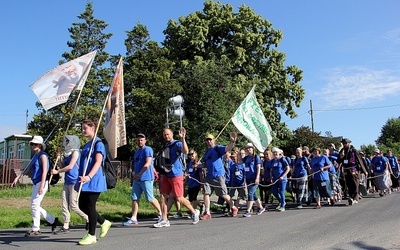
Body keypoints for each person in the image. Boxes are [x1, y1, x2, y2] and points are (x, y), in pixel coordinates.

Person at [12, 136, 58, 237]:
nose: (33, 146)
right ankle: (53, 220)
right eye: (32, 144)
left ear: (40, 145)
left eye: (35, 144)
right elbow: (27, 169)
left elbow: (45, 172)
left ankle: (36, 228)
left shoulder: (43, 156)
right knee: (34, 205)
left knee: (34, 205)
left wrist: (41, 186)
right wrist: (17, 177)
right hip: (36, 182)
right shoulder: (35, 156)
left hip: (42, 182)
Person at [154, 127, 200, 228]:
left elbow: (186, 151)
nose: (166, 136)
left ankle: (194, 212)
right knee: (163, 196)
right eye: (164, 135)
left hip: (176, 175)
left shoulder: (177, 143)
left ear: (172, 135)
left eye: (168, 134)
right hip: (166, 174)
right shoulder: (166, 145)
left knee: (179, 198)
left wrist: (183, 138)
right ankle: (164, 219)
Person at [76, 118, 111, 245]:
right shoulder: (87, 145)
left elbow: (98, 162)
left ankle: (91, 235)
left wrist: (89, 177)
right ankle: (103, 222)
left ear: (92, 128)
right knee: (81, 205)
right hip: (84, 180)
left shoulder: (98, 144)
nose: (83, 130)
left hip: (94, 180)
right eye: (82, 128)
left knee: (90, 206)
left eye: (85, 128)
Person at [52, 135, 88, 234]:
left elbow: (70, 167)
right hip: (67, 181)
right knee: (64, 204)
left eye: (68, 141)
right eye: (66, 141)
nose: (66, 143)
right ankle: (66, 225)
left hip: (75, 181)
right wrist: (59, 158)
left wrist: (57, 172)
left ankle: (88, 219)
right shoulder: (67, 154)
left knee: (73, 205)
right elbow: (62, 166)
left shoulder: (76, 152)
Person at [198, 132, 239, 219]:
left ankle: (233, 207)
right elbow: (205, 164)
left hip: (219, 175)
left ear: (214, 140)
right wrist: (198, 165)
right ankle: (207, 212)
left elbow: (228, 148)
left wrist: (232, 142)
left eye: (210, 139)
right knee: (206, 193)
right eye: (207, 140)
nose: (209, 141)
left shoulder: (217, 148)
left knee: (223, 195)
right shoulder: (206, 153)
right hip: (209, 176)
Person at [124, 133, 162, 226]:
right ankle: (133, 218)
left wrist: (140, 173)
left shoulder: (147, 149)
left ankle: (161, 214)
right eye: (138, 140)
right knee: (134, 197)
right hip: (137, 179)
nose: (140, 141)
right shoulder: (137, 151)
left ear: (145, 140)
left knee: (150, 198)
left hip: (146, 178)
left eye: (141, 140)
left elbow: (148, 163)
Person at [337, 138, 368, 206]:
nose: (344, 144)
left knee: (355, 183)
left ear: (348, 143)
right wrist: (341, 157)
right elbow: (338, 161)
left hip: (353, 169)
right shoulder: (342, 151)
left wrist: (365, 171)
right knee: (348, 184)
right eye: (343, 143)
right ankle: (351, 197)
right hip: (346, 169)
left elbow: (360, 161)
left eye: (345, 143)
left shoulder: (354, 150)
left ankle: (355, 198)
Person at [242, 143, 265, 217]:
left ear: (253, 148)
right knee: (254, 194)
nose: (248, 150)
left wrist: (257, 177)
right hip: (248, 178)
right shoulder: (246, 158)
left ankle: (248, 210)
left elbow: (258, 167)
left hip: (254, 178)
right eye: (247, 148)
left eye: (250, 148)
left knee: (250, 193)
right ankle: (261, 207)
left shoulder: (256, 157)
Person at [270, 147, 290, 212]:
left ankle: (282, 206)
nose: (275, 153)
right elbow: (271, 170)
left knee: (281, 192)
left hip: (282, 179)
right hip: (275, 179)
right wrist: (271, 177)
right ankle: (282, 201)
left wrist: (283, 176)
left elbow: (288, 168)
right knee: (274, 191)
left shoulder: (282, 159)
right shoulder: (272, 161)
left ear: (279, 153)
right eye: (274, 152)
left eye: (276, 152)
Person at [186, 149, 203, 214]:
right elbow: (188, 173)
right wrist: (185, 182)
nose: (191, 156)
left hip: (196, 183)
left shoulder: (198, 164)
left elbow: (201, 174)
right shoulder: (189, 163)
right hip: (190, 183)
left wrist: (201, 184)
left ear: (195, 154)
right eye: (189, 154)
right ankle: (201, 206)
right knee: (191, 199)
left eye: (192, 154)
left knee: (194, 198)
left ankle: (194, 211)